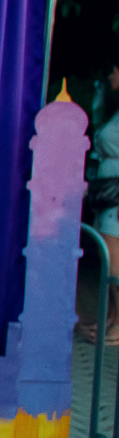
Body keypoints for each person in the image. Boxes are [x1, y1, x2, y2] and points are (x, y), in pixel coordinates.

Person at [86, 60, 119, 345]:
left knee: (115, 262)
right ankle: (112, 317)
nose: (110, 76)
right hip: (109, 195)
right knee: (105, 255)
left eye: (113, 70)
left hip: (117, 198)